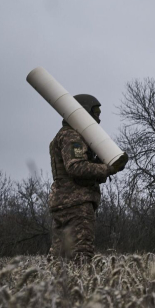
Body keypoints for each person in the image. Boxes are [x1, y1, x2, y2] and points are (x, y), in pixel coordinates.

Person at [49, 94, 126, 261]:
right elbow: (76, 167)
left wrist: (104, 163)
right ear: (84, 112)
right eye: (96, 113)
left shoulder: (64, 134)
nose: (98, 119)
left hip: (63, 204)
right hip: (77, 205)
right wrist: (108, 168)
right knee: (81, 255)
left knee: (59, 259)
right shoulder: (72, 136)